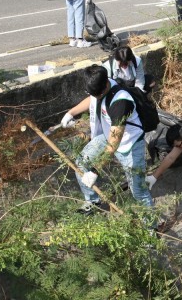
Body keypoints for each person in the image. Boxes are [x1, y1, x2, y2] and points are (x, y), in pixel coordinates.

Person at [61, 65, 153, 214]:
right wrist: (71, 113)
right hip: (106, 134)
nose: (95, 97)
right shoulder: (101, 83)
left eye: (97, 94)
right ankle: (93, 201)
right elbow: (91, 99)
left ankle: (150, 228)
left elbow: (114, 142)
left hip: (129, 144)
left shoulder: (121, 102)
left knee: (138, 191)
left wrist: (95, 170)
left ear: (105, 87)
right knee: (82, 163)